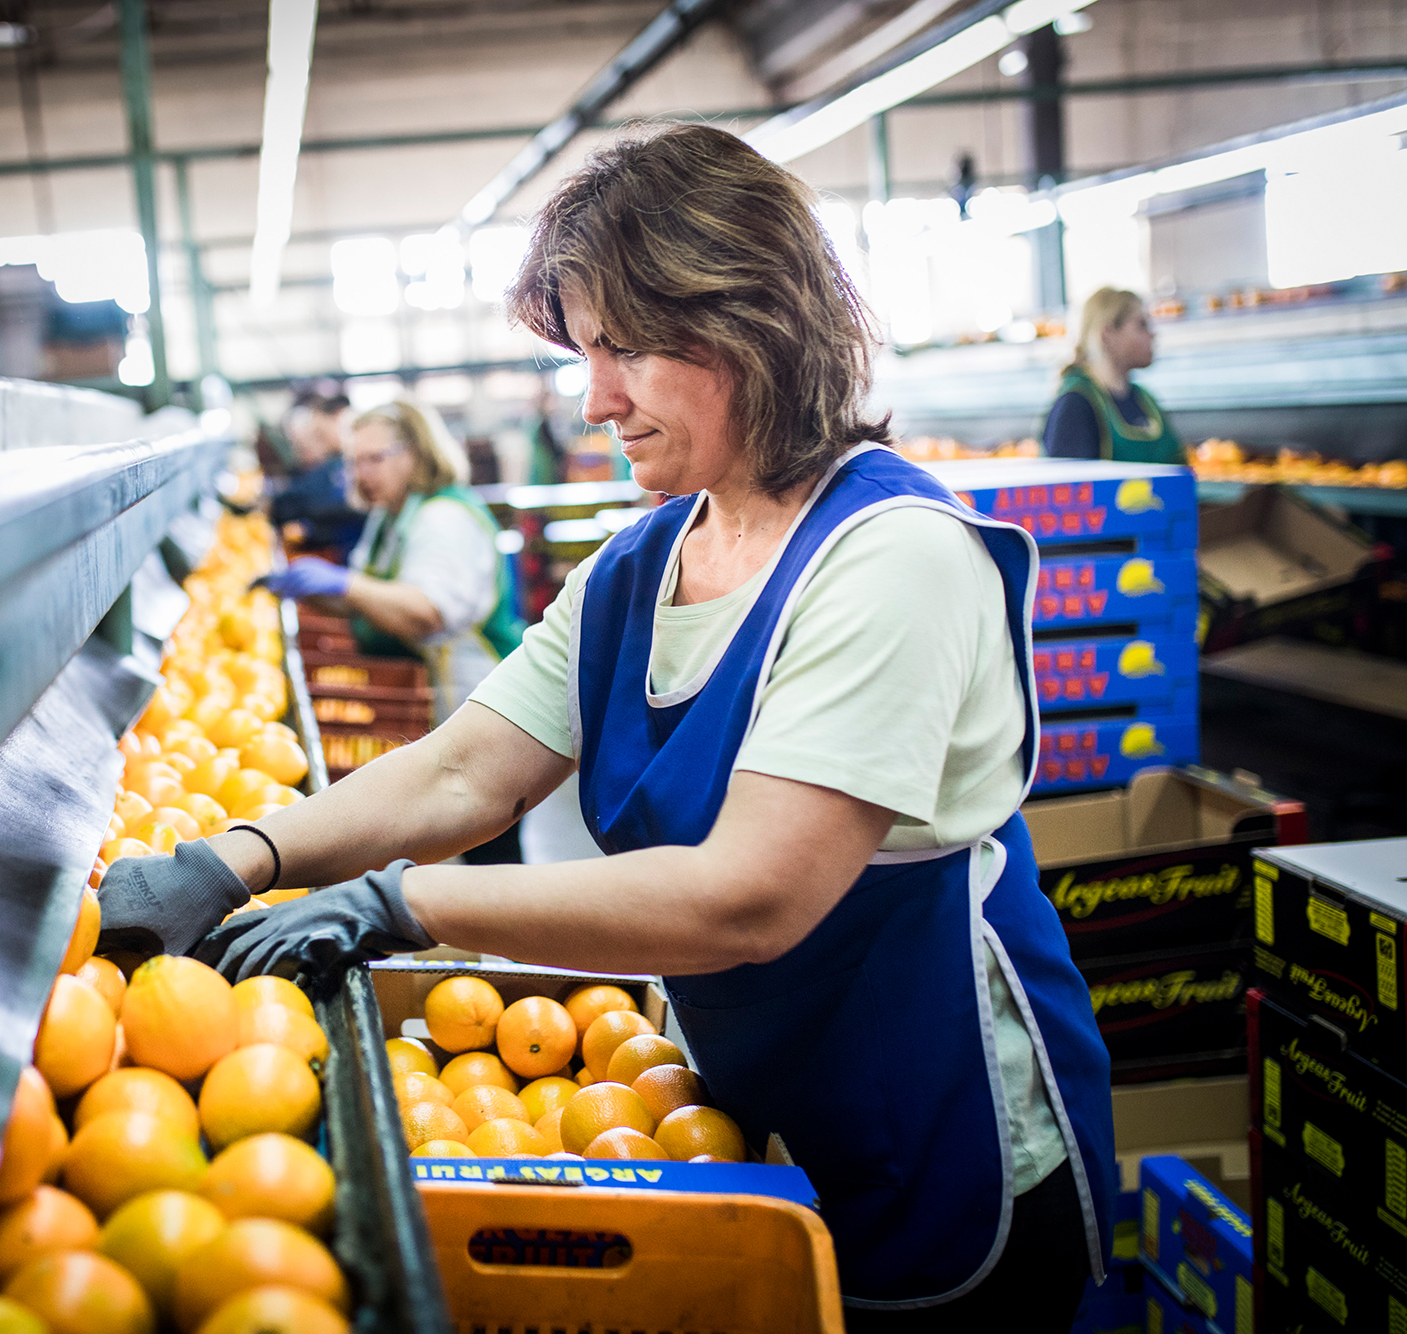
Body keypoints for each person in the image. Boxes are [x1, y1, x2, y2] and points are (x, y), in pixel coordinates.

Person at [98, 124, 1113, 1327]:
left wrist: (404, 905)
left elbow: (749, 895)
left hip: (940, 1136)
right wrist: (236, 858)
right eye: (585, 353)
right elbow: (466, 769)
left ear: (747, 321)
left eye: (621, 349)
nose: (594, 400)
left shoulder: (889, 557)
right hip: (740, 1118)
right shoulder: (643, 562)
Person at [260, 399, 528, 862]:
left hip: (480, 694)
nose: (361, 473)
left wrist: (343, 583)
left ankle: (514, 930)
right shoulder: (393, 513)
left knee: (491, 838)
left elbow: (425, 612)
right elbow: (374, 597)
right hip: (439, 697)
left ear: (416, 454)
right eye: (353, 461)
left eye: (374, 459)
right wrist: (313, 590)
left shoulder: (442, 518)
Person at [1042, 288, 1183, 463]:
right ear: (1107, 334)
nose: (1152, 334)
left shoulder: (1145, 400)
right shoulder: (1076, 404)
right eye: (1141, 325)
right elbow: (1070, 485)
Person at [269, 392, 365, 557]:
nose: (321, 442)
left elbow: (345, 509)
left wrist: (310, 529)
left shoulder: (346, 463)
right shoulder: (334, 463)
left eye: (320, 434)